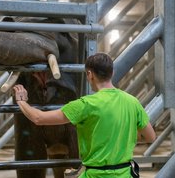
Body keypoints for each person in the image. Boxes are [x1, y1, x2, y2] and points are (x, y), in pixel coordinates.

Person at [13, 52, 156, 178]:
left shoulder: (85, 105)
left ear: (89, 74)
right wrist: (123, 135)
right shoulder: (132, 101)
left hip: (95, 174)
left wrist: (21, 101)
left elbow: (39, 118)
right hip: (125, 173)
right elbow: (150, 137)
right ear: (112, 73)